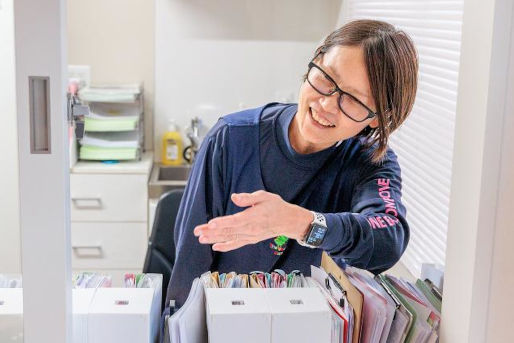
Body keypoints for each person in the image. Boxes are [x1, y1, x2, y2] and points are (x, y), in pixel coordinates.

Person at [166, 19, 418, 308]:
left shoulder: (369, 161)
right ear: (315, 60)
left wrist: (301, 224)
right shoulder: (232, 139)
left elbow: (387, 238)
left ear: (377, 117)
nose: (326, 104)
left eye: (352, 100)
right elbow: (188, 274)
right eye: (326, 78)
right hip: (226, 321)